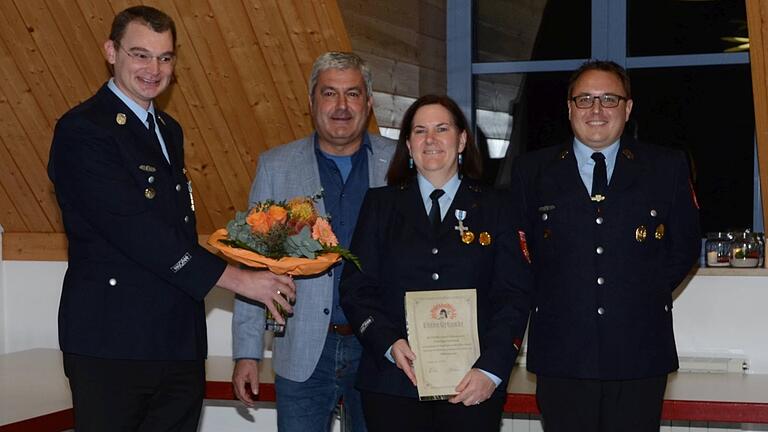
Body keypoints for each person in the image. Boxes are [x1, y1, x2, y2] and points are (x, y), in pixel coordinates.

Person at [47, 6, 296, 432]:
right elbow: (138, 232)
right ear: (111, 51)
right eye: (140, 54)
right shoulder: (83, 130)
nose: (154, 69)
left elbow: (173, 230)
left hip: (177, 340)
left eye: (165, 57)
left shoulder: (168, 128)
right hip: (113, 343)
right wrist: (240, 279)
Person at [508, 60, 701, 431]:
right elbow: (519, 250)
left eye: (609, 99)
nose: (596, 110)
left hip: (640, 352)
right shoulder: (532, 171)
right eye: (585, 100)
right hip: (562, 354)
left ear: (628, 109)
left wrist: (641, 291)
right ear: (569, 109)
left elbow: (685, 245)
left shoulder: (666, 167)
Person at [339, 95, 532, 432]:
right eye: (420, 131)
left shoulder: (498, 207)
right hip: (393, 382)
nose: (430, 139)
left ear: (461, 140)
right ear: (409, 147)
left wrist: (491, 370)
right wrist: (387, 343)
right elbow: (356, 289)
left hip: (472, 384)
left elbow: (513, 296)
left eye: (442, 129)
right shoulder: (380, 205)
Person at [231, 51, 396, 431]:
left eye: (353, 94)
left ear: (368, 103)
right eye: (329, 94)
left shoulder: (398, 164)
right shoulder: (276, 167)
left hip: (378, 348)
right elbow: (251, 262)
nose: (341, 106)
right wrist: (247, 353)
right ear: (311, 102)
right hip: (302, 350)